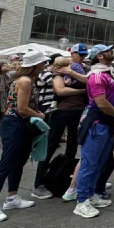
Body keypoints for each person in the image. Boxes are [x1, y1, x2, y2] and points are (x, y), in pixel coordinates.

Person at [0, 51, 49, 222]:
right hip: (14, 123)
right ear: (36, 65)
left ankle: (12, 197)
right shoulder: (26, 81)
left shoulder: (26, 80)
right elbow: (21, 108)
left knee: (18, 162)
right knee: (6, 163)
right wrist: (39, 115)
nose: (45, 66)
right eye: (43, 63)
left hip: (19, 123)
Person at [74, 45, 114, 218]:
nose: (111, 52)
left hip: (106, 123)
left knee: (98, 163)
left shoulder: (108, 73)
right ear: (99, 56)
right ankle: (81, 201)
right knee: (89, 164)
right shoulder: (98, 76)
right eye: (108, 50)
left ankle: (91, 195)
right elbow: (102, 103)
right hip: (96, 123)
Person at [31, 54, 89, 198]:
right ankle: (38, 184)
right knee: (51, 145)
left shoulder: (74, 73)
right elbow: (60, 91)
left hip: (77, 111)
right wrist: (82, 90)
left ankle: (64, 175)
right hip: (61, 112)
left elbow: (88, 81)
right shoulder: (57, 76)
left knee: (73, 145)